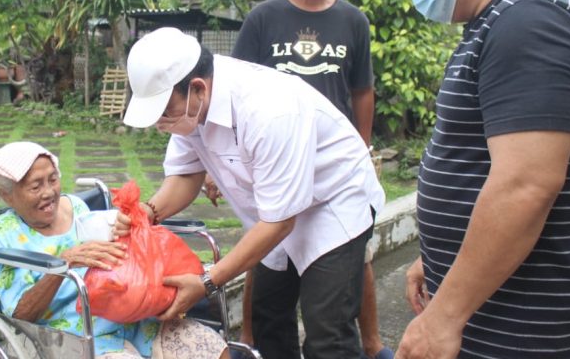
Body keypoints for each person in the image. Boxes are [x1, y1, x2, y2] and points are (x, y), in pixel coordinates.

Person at [396, 0, 570, 358]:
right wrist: (439, 255)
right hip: (496, 307)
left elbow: (526, 184)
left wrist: (445, 315)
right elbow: (479, 160)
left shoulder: (530, 21)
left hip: (523, 324)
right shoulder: (501, 16)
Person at [122, 27, 385, 359]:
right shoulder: (190, 107)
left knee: (327, 331)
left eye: (164, 114)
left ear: (197, 88)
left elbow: (280, 222)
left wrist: (207, 281)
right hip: (275, 211)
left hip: (332, 202)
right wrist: (149, 210)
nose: (162, 124)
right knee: (267, 319)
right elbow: (187, 173)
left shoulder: (268, 109)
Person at [218, 0, 389, 358]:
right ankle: (254, 341)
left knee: (337, 294)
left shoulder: (352, 20)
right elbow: (235, 89)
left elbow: (362, 90)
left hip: (332, 173)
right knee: (269, 262)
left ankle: (371, 345)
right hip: (275, 164)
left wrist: (363, 149)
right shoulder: (263, 20)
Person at [0, 141, 230, 359]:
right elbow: (22, 313)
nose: (49, 193)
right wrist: (62, 263)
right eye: (35, 187)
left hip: (133, 317)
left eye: (53, 180)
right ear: (7, 195)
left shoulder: (76, 206)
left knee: (209, 346)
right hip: (73, 337)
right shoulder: (6, 231)